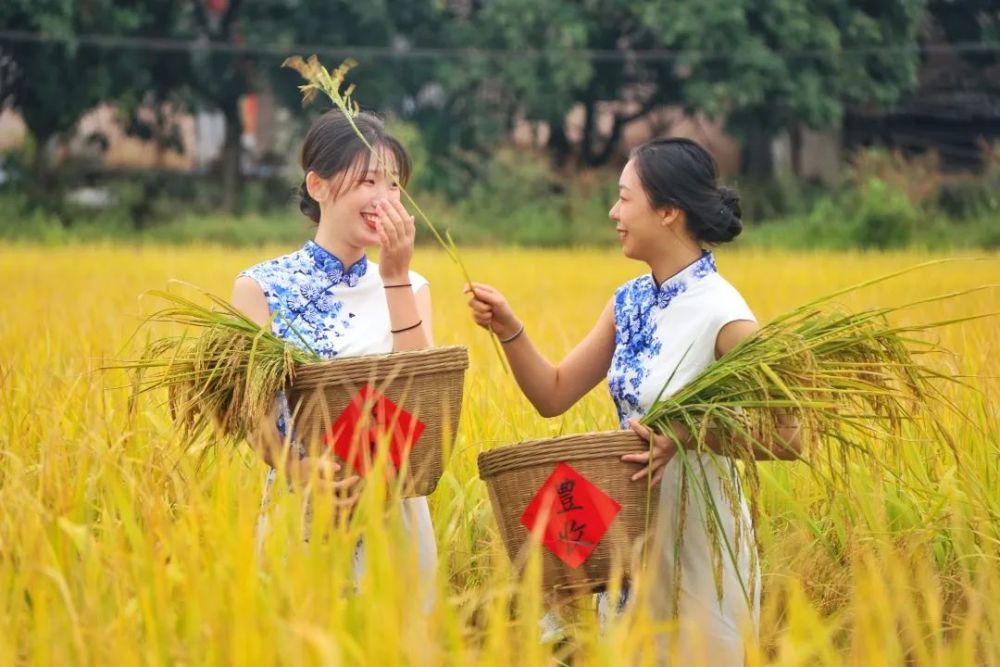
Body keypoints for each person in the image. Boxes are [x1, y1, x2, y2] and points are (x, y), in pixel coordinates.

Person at [466, 137, 801, 663]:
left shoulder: (725, 315)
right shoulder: (629, 301)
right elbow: (553, 393)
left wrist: (688, 435)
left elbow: (790, 436)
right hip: (627, 537)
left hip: (698, 540)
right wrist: (510, 328)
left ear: (668, 211)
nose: (612, 212)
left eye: (624, 198)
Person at [231, 110, 436, 589]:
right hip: (301, 505)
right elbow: (248, 411)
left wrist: (395, 277)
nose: (384, 199)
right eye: (368, 180)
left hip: (394, 512)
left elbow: (425, 393)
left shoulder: (411, 285)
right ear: (317, 185)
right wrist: (298, 469)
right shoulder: (259, 287)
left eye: (393, 185)